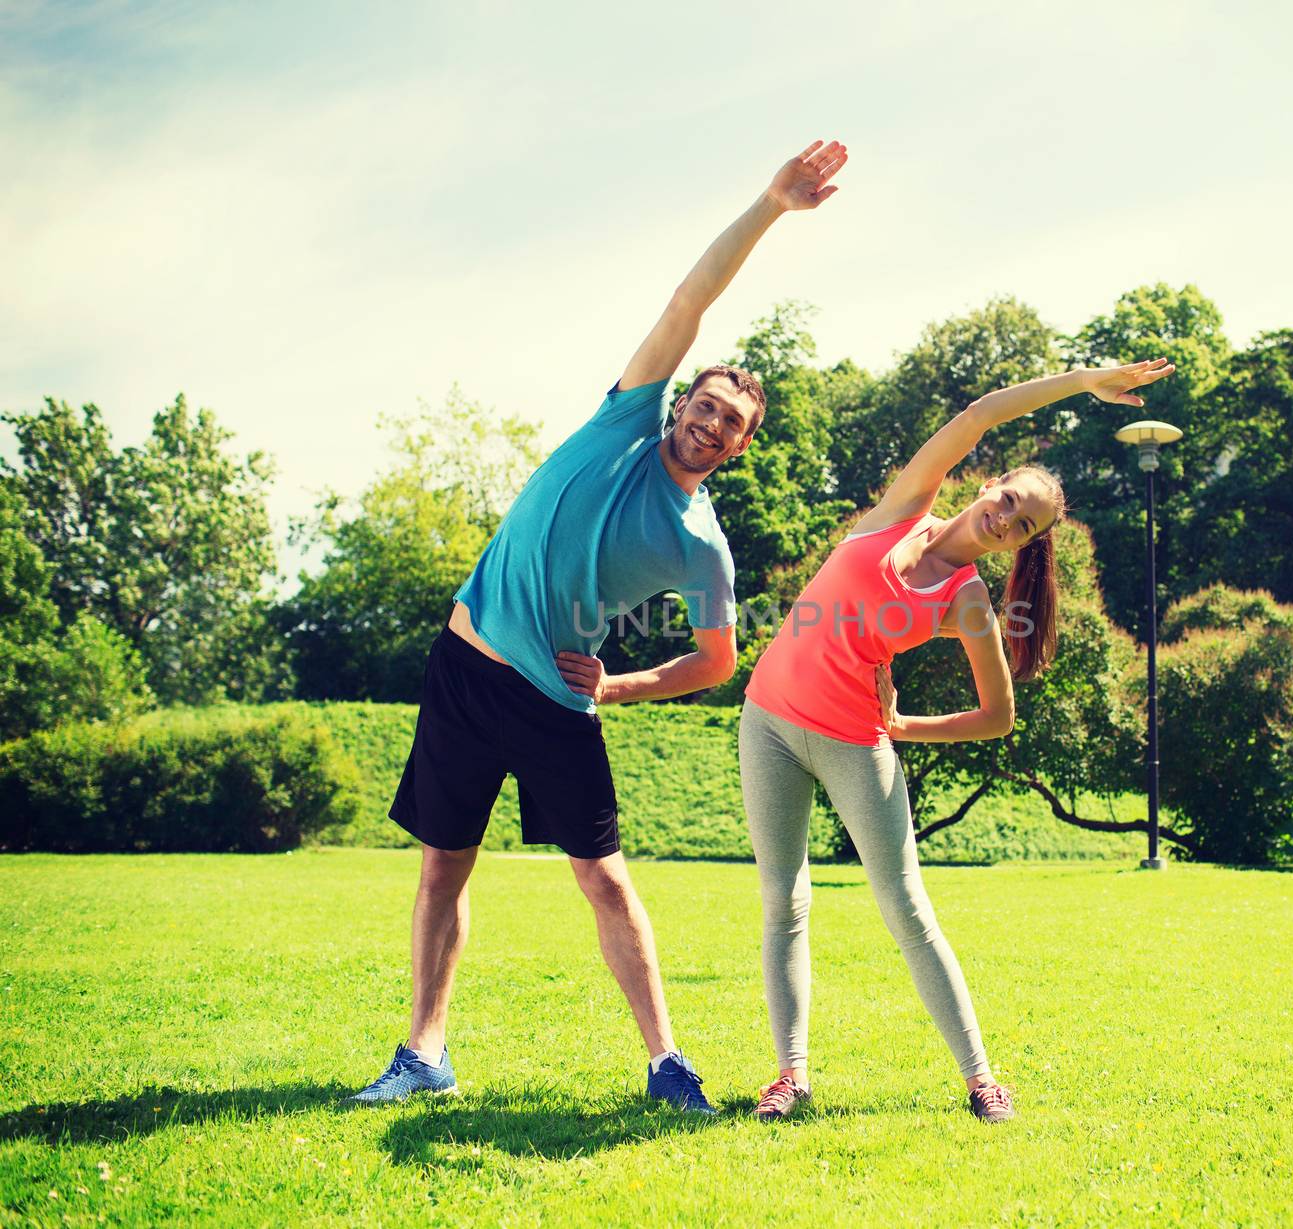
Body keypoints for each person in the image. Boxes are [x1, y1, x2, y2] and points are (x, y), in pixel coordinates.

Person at [345, 139, 850, 1111]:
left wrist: (616, 685)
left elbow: (716, 659)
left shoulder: (699, 543)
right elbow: (687, 303)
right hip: (463, 664)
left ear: (741, 446)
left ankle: (667, 1061)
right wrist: (771, 205)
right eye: (703, 404)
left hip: (552, 701)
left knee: (605, 879)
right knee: (443, 866)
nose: (708, 422)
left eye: (728, 422)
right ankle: (424, 1051)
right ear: (682, 402)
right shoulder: (623, 418)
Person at [739, 357, 1175, 1122]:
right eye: (1009, 497)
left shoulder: (968, 599)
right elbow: (979, 412)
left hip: (853, 741)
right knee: (784, 901)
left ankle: (981, 1079)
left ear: (1020, 543)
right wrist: (1082, 383)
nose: (1007, 516)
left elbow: (997, 714)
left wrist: (905, 726)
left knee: (907, 908)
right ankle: (790, 1074)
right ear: (987, 485)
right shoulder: (907, 503)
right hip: (768, 721)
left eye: (1024, 523)